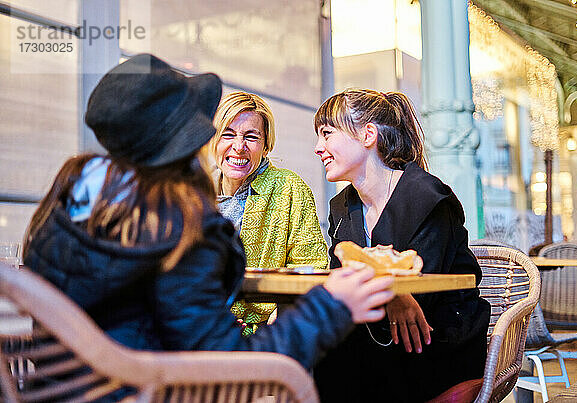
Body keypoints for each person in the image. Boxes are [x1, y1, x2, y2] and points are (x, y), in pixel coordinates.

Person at [22, 55, 395, 375]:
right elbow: (229, 367)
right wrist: (332, 305)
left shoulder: (66, 209)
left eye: (250, 136)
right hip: (153, 390)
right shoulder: (181, 231)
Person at [312, 89, 491, 402]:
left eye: (327, 134)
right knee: (318, 351)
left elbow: (424, 293)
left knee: (334, 360)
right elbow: (341, 279)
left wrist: (393, 291)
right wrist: (392, 293)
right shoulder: (341, 206)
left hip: (437, 344)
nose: (318, 148)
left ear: (368, 134)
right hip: (374, 336)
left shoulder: (428, 197)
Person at [210, 91, 327, 335]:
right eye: (228, 134)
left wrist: (277, 319)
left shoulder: (289, 188)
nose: (239, 147)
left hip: (266, 337)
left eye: (251, 137)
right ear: (214, 141)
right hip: (202, 333)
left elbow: (311, 269)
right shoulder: (195, 191)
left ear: (266, 145)